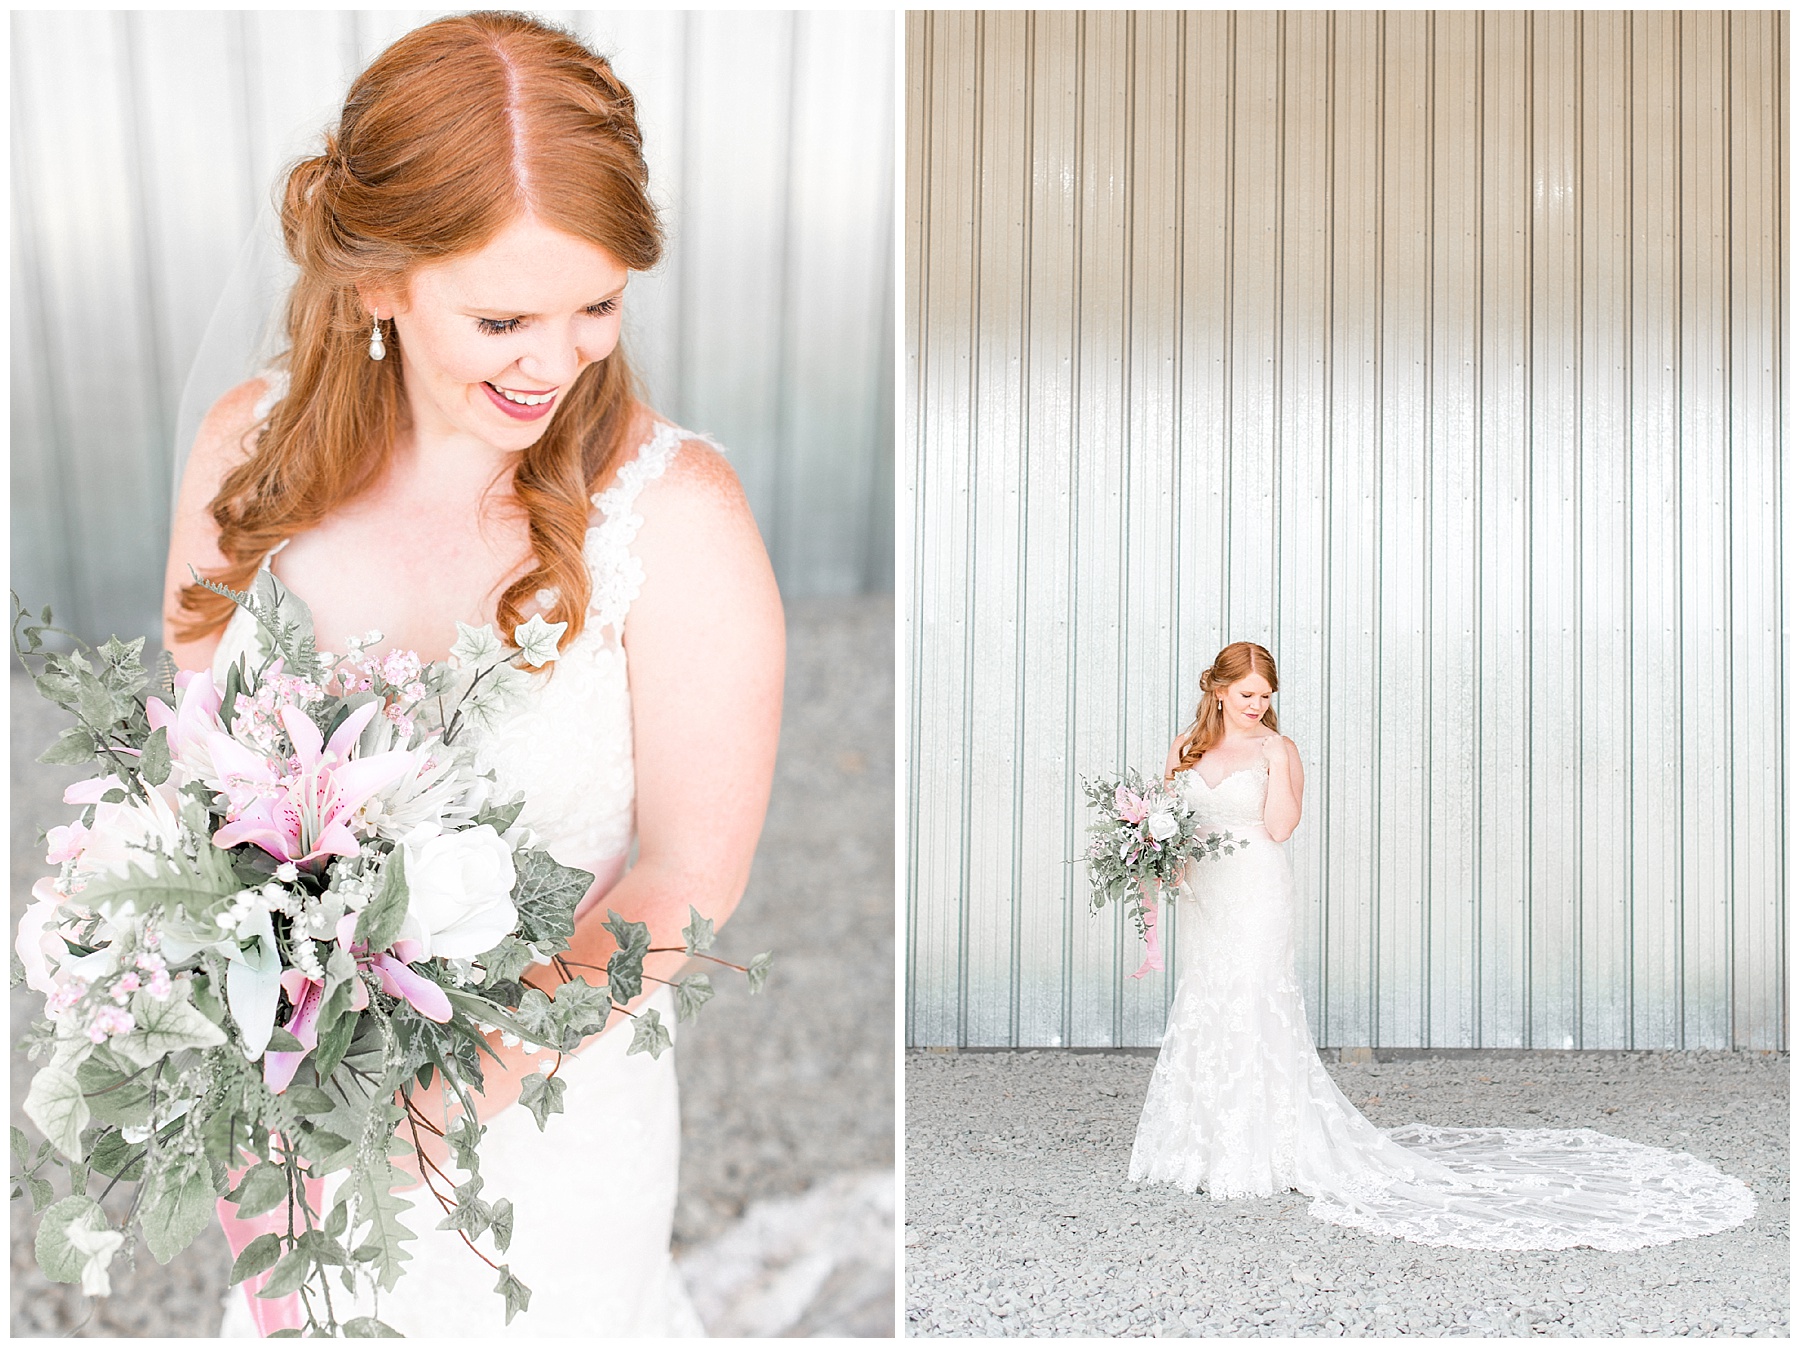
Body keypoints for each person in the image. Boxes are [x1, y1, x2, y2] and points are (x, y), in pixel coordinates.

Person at [161, 13, 784, 1335]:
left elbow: (686, 877)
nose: (556, 361)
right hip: (291, 1105)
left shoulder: (674, 517)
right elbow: (201, 754)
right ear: (379, 280)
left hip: (545, 1156)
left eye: (597, 305)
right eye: (503, 316)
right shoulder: (245, 455)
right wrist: (254, 1050)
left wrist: (435, 1092)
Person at [1128, 641, 1755, 1250]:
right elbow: (1170, 820)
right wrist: (1154, 848)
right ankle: (1202, 1143)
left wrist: (1281, 766)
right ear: (1216, 688)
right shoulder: (1186, 748)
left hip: (1257, 888)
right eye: (1247, 694)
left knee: (1257, 999)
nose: (1257, 705)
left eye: (1267, 695)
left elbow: (1281, 828)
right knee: (1209, 997)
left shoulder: (1277, 746)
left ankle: (1262, 1147)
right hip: (1205, 895)